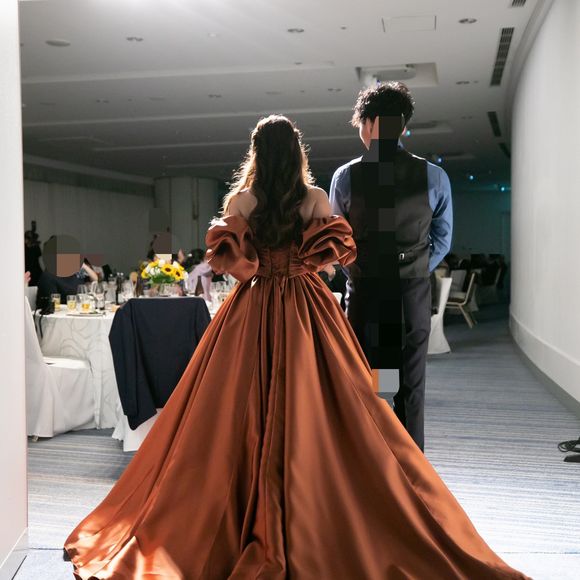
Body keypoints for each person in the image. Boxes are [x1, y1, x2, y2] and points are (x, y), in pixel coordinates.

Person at [64, 115, 526, 579]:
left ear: (257, 153)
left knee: (231, 407)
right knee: (340, 400)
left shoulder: (242, 201)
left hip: (252, 308)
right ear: (296, 152)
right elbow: (330, 262)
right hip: (308, 309)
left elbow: (233, 266)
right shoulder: (316, 198)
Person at [330, 81, 453, 452]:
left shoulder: (347, 177)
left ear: (370, 124)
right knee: (412, 384)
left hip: (368, 293)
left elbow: (339, 243)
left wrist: (361, 271)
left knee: (375, 384)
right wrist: (414, 267)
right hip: (412, 292)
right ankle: (412, 470)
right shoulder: (434, 176)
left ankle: (375, 465)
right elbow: (442, 240)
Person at [36, 235, 98, 308]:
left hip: (77, 310)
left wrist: (82, 265)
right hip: (62, 313)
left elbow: (94, 279)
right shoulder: (49, 277)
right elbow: (52, 306)